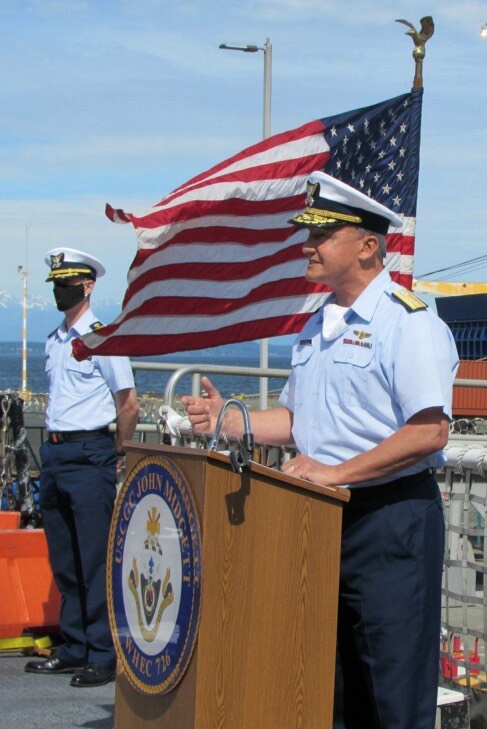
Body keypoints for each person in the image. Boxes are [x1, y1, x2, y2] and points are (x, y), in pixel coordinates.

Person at [181, 172, 459, 729]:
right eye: (309, 232)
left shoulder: (408, 322)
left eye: (323, 233)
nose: (307, 244)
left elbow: (429, 430)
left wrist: (336, 473)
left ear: (367, 245)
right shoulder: (317, 326)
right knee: (327, 685)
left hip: (389, 521)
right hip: (318, 520)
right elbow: (298, 420)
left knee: (394, 695)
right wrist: (231, 423)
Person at [25, 247, 139, 687]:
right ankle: (73, 646)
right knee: (65, 556)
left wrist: (118, 451)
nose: (60, 289)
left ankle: (102, 652)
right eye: (56, 283)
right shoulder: (55, 341)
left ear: (87, 285)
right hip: (54, 454)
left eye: (67, 282)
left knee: (94, 557)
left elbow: (127, 402)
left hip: (90, 453)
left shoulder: (104, 337)